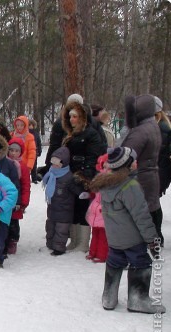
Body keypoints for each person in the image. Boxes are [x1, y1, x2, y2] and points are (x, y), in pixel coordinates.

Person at [90, 146, 165, 314]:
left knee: (115, 262)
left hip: (115, 238)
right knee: (141, 263)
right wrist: (152, 239)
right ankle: (138, 299)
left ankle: (108, 297)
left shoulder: (106, 183)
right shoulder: (129, 186)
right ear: (128, 165)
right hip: (132, 239)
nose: (137, 162)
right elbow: (142, 216)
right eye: (134, 160)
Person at [62, 99, 106, 253]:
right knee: (73, 208)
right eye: (70, 117)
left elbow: (93, 156)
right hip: (71, 175)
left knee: (83, 208)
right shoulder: (71, 134)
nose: (71, 119)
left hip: (84, 175)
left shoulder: (91, 133)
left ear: (81, 117)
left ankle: (83, 242)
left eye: (74, 116)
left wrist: (86, 176)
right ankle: (74, 240)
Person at [121, 94, 163, 247]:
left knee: (140, 215)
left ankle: (140, 250)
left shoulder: (141, 131)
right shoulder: (152, 126)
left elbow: (126, 154)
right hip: (149, 176)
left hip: (140, 178)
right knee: (150, 211)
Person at [42, 147, 84, 256]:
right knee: (50, 227)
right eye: (53, 162)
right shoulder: (51, 173)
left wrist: (81, 193)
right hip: (52, 208)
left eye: (57, 163)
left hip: (65, 209)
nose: (54, 165)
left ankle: (59, 248)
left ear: (64, 163)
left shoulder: (68, 177)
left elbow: (75, 188)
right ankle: (50, 244)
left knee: (61, 230)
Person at [5, 137, 31, 255]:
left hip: (17, 199)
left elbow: (26, 185)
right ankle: (4, 240)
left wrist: (24, 202)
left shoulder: (23, 167)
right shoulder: (4, 163)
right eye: (11, 150)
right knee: (5, 221)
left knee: (14, 222)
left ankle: (13, 240)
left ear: (21, 152)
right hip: (5, 197)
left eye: (17, 151)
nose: (14, 153)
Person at [84, 154, 109, 263]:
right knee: (95, 233)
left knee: (103, 235)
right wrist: (90, 195)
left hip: (104, 210)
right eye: (104, 165)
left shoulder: (111, 180)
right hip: (96, 209)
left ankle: (102, 254)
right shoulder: (99, 178)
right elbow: (95, 193)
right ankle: (92, 251)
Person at [154, 96, 171, 197]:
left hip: (159, 173)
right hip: (160, 173)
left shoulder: (161, 128)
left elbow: (158, 153)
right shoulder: (163, 126)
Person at [28, 119, 42, 183]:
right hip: (28, 152)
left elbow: (39, 143)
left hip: (34, 152)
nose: (30, 126)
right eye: (29, 125)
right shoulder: (26, 133)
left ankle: (34, 178)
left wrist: (39, 151)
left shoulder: (36, 134)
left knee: (34, 166)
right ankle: (27, 178)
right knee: (27, 166)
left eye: (31, 125)